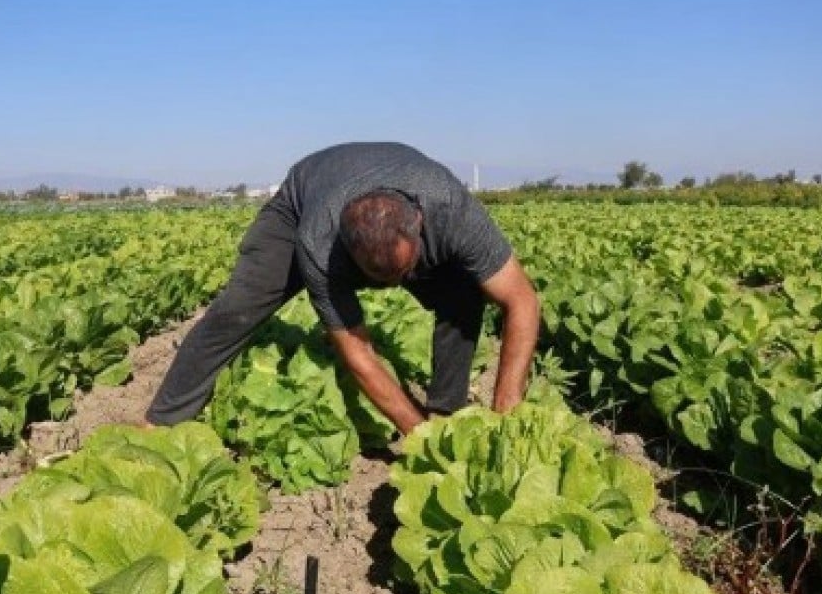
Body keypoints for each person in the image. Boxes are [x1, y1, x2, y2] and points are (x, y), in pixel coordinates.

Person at [143, 142, 539, 435]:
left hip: (399, 213)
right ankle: (162, 419)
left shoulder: (450, 209)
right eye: (376, 278)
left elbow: (521, 300)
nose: (392, 289)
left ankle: (445, 411)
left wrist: (507, 404)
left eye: (402, 272)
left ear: (418, 223)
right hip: (301, 201)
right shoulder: (319, 240)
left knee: (463, 295)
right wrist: (417, 436)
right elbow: (358, 355)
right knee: (237, 310)